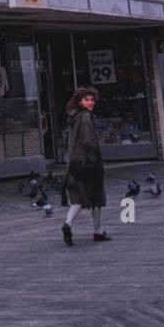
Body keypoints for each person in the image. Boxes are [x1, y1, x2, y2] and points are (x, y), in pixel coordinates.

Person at [61, 88, 109, 245]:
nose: (90, 102)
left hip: (74, 164)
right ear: (79, 101)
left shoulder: (74, 118)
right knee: (97, 196)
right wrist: (96, 158)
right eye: (86, 100)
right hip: (88, 163)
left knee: (78, 198)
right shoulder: (86, 118)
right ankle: (98, 231)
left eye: (92, 100)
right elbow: (89, 141)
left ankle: (68, 223)